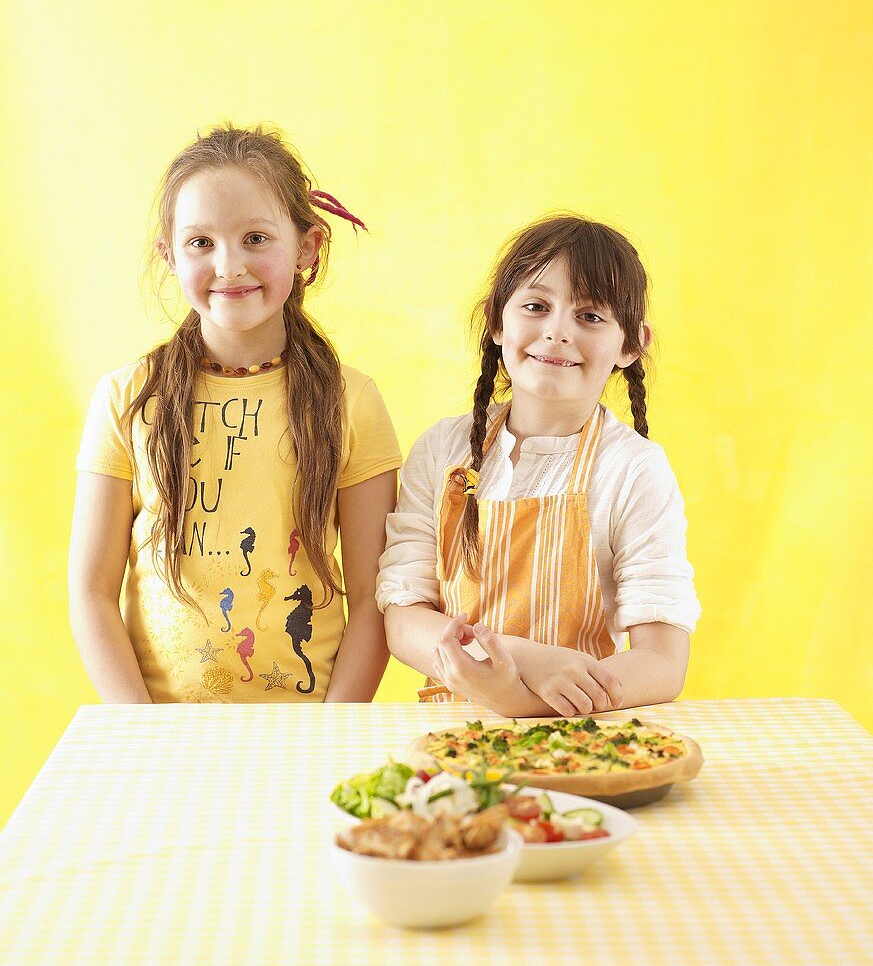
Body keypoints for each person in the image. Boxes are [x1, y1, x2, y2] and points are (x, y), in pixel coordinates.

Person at [70, 124, 401, 703]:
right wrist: (144, 731)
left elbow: (375, 596)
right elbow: (92, 591)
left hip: (309, 726)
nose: (229, 266)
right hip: (162, 734)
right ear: (168, 254)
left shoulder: (352, 401)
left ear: (307, 246)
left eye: (255, 238)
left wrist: (331, 728)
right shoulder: (126, 399)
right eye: (201, 242)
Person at [378, 215, 700, 716]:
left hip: (578, 737)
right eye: (536, 306)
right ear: (497, 321)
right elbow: (403, 620)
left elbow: (661, 661)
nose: (557, 333)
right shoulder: (442, 450)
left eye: (590, 316)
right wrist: (525, 659)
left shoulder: (634, 470)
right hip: (450, 732)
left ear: (632, 343)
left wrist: (521, 698)